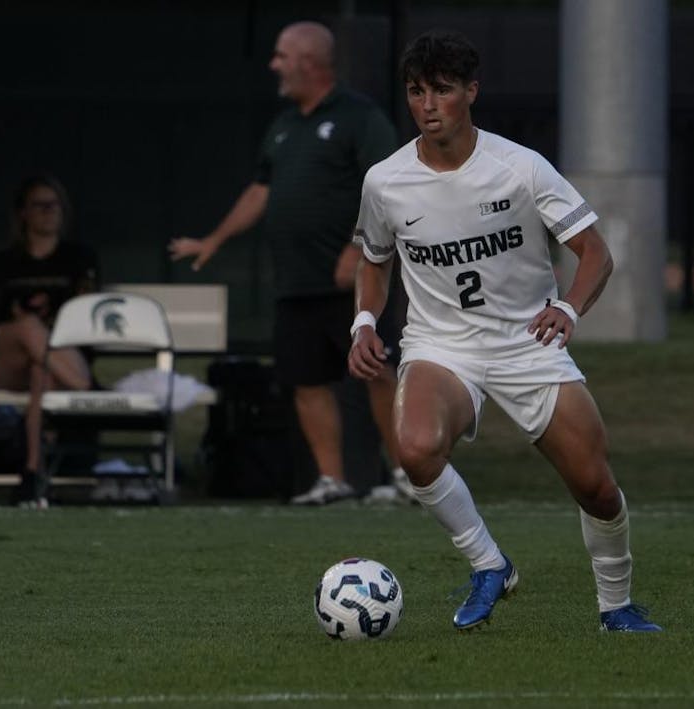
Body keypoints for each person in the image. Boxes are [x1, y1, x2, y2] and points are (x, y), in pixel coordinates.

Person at [348, 30, 662, 632]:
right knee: (414, 448)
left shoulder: (520, 168)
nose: (428, 105)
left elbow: (594, 252)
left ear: (472, 91)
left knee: (595, 487)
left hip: (529, 343)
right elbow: (374, 258)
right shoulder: (384, 181)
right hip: (441, 345)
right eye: (416, 92)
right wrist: (364, 320)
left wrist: (567, 310)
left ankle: (616, 607)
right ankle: (490, 565)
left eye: (441, 90)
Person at [169, 21, 412, 505]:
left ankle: (411, 475)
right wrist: (214, 240)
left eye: (282, 56)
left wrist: (358, 249)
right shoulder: (283, 126)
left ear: (310, 61)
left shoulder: (359, 117)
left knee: (378, 371)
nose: (274, 65)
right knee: (306, 380)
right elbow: (261, 190)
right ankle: (331, 480)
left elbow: (390, 185)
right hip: (296, 284)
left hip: (353, 283)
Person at [0, 174, 98, 508]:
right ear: (23, 213)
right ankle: (86, 389)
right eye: (39, 205)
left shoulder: (79, 259)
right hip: (9, 361)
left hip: (56, 360)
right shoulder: (3, 264)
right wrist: (25, 327)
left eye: (54, 205)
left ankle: (33, 472)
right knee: (29, 330)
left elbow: (88, 319)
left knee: (40, 371)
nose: (48, 212)